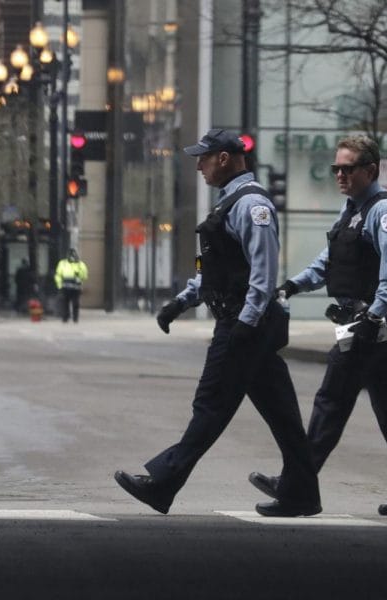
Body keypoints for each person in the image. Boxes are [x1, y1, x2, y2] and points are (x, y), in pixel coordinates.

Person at [114, 128, 320, 517]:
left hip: (244, 322)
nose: (199, 166)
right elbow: (218, 272)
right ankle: (302, 493)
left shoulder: (252, 206)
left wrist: (245, 324)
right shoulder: (230, 203)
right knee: (282, 413)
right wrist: (181, 302)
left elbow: (262, 271)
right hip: (244, 319)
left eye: (204, 158)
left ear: (224, 158)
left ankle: (163, 483)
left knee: (210, 406)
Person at [248, 135, 387, 517]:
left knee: (330, 403)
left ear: (370, 170)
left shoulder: (384, 212)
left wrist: (374, 317)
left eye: (347, 168)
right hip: (366, 324)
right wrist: (293, 285)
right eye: (337, 168)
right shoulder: (352, 210)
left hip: (371, 325)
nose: (339, 174)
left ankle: (296, 488)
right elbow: (329, 262)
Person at [54, 248, 88, 323]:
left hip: (76, 288)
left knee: (75, 303)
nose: (72, 257)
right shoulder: (62, 263)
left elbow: (85, 276)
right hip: (65, 287)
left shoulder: (80, 264)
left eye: (73, 255)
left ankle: (75, 318)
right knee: (65, 303)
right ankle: (65, 318)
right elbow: (58, 275)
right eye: (70, 255)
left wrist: (79, 274)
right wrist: (60, 285)